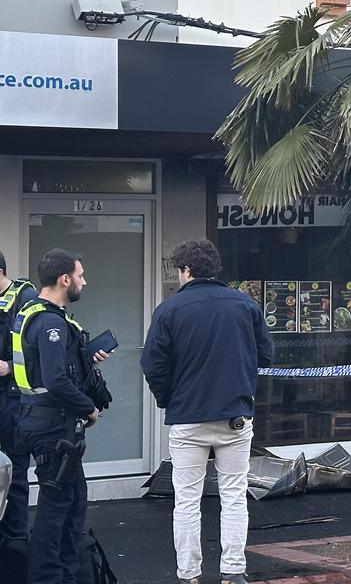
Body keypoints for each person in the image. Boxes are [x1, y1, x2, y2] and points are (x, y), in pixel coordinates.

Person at [142, 239, 272, 584]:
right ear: (216, 270)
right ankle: (233, 571)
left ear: (186, 271)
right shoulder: (245, 305)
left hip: (187, 417)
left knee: (186, 500)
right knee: (233, 496)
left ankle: (189, 574)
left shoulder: (169, 310)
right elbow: (266, 355)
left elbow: (152, 364)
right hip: (235, 416)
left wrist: (167, 398)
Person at [12, 249, 109, 584]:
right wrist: (88, 407)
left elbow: (51, 371)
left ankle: (69, 575)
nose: (84, 280)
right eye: (80, 275)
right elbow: (54, 381)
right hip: (52, 427)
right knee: (56, 511)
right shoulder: (50, 322)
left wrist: (87, 363)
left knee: (72, 504)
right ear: (65, 279)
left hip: (47, 424)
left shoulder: (32, 313)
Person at [0, 251, 38, 573]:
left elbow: (38, 352)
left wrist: (9, 367)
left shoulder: (25, 298)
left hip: (13, 401)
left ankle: (15, 544)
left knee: (14, 474)